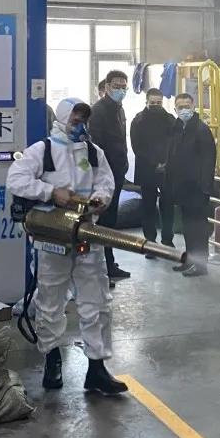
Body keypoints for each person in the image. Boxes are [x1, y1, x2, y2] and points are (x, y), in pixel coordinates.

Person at [6, 97, 127, 395]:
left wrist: (100, 199)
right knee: (50, 302)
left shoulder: (93, 152)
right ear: (62, 118)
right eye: (75, 119)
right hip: (53, 238)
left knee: (97, 302)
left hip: (87, 234)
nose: (80, 125)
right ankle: (52, 360)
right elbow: (16, 180)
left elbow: (106, 182)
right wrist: (50, 192)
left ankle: (97, 368)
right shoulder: (43, 150)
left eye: (83, 120)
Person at [164, 93, 217, 277]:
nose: (184, 110)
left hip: (197, 189)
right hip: (182, 187)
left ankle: (201, 265)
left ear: (193, 107)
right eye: (180, 107)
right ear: (175, 109)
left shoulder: (201, 130)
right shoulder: (178, 129)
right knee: (188, 227)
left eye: (187, 106)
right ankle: (190, 261)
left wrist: (205, 188)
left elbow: (209, 161)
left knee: (198, 228)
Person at [89, 70, 131, 282]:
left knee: (111, 220)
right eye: (116, 86)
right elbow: (96, 147)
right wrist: (103, 176)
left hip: (117, 172)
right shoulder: (98, 111)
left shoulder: (119, 109)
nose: (120, 90)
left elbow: (120, 142)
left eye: (124, 87)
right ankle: (102, 268)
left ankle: (109, 263)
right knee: (103, 221)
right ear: (106, 87)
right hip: (105, 176)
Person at [130, 88, 176, 255]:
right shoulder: (138, 121)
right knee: (148, 206)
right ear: (146, 102)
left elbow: (174, 144)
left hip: (167, 169)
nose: (156, 105)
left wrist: (166, 162)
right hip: (147, 169)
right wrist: (154, 163)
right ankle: (150, 243)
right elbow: (137, 146)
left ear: (162, 102)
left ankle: (167, 240)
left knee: (168, 206)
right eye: (152, 103)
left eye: (158, 103)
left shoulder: (170, 120)